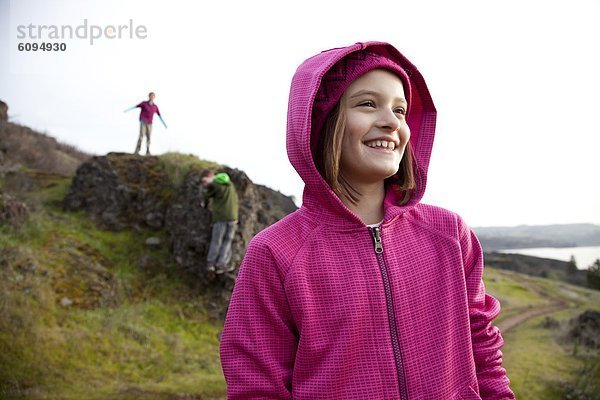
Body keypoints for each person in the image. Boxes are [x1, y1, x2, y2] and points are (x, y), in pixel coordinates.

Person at [220, 42, 515, 399]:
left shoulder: (450, 235)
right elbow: (257, 386)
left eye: (401, 110)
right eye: (367, 103)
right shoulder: (276, 253)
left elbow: (482, 349)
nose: (391, 122)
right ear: (321, 122)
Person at [201, 169, 239, 274]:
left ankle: (211, 263)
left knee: (216, 240)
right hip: (233, 217)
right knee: (227, 241)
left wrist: (204, 202)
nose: (204, 183)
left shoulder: (214, 185)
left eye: (204, 181)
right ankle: (221, 263)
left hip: (220, 218)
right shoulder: (230, 185)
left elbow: (207, 195)